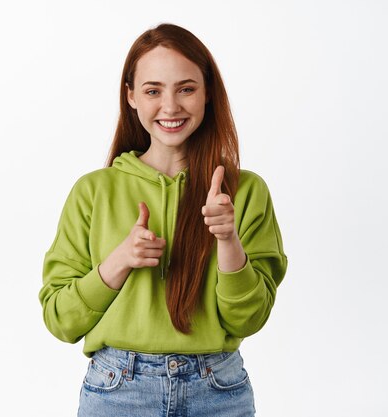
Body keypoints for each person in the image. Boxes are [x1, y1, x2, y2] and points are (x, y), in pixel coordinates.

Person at [39, 23, 288, 417]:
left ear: (208, 94)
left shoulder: (245, 191)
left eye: (186, 88)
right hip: (117, 391)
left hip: (218, 389)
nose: (170, 107)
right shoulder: (93, 191)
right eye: (154, 90)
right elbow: (60, 320)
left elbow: (250, 317)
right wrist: (118, 262)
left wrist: (228, 240)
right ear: (132, 97)